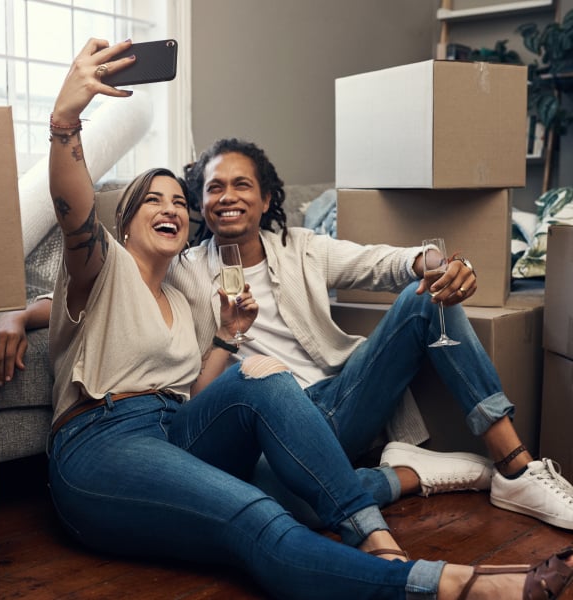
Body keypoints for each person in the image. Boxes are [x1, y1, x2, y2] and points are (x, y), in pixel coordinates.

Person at [10, 36, 573, 600]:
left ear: (264, 198)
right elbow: (75, 217)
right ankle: (441, 577)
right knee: (262, 512)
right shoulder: (112, 267)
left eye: (179, 201)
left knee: (268, 376)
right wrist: (66, 122)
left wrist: (230, 336)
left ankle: (408, 521)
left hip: (199, 428)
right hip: (105, 435)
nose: (174, 208)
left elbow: (379, 265)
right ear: (125, 224)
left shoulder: (204, 295)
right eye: (159, 200)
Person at [154, 136, 573, 533]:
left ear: (265, 200)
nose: (227, 196)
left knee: (424, 297)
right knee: (293, 505)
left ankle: (517, 468)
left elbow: (383, 263)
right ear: (202, 203)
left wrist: (438, 263)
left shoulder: (302, 248)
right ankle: (408, 473)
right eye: (214, 188)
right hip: (269, 432)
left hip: (339, 404)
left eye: (241, 185)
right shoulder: (182, 272)